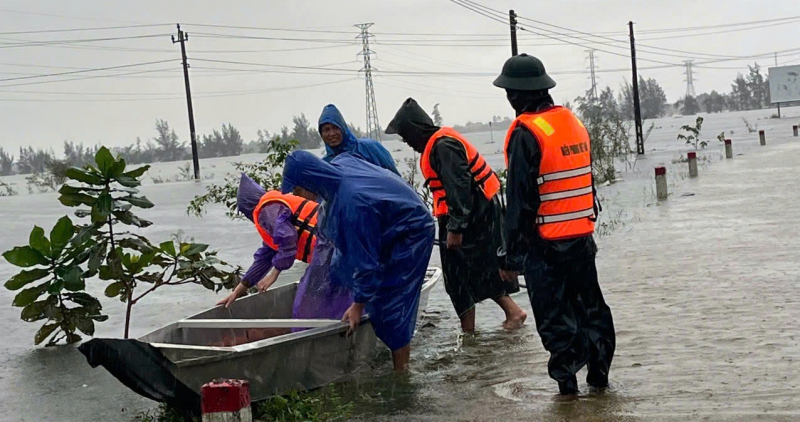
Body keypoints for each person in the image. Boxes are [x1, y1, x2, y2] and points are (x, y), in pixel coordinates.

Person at [493, 53, 616, 395]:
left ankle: (569, 396)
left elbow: (520, 202)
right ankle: (600, 385)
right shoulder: (571, 122)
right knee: (591, 310)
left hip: (544, 245)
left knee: (555, 319)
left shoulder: (525, 132)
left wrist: (510, 258)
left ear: (517, 94)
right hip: (581, 238)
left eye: (509, 93)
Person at [281, 150, 435, 371]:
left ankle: (402, 371)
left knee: (389, 304)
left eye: (298, 189)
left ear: (309, 180)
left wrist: (358, 304)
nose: (299, 197)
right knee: (340, 268)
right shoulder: (340, 164)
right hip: (387, 222)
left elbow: (365, 260)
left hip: (411, 233)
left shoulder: (353, 204)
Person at [385, 98, 527, 332]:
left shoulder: (443, 146)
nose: (406, 141)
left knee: (464, 275)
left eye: (406, 135)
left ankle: (498, 320)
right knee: (467, 274)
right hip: (471, 214)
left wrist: (456, 227)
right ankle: (487, 323)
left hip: (472, 217)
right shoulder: (438, 143)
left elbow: (459, 186)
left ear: (416, 129)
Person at [217, 175, 352, 328]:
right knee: (341, 294)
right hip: (338, 245)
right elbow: (265, 256)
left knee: (306, 306)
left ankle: (306, 339)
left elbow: (287, 238)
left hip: (329, 248)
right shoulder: (272, 207)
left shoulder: (266, 210)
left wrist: (274, 273)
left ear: (247, 206)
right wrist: (239, 290)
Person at [318, 104, 399, 175]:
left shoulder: (369, 148)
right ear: (321, 134)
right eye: (326, 130)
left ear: (343, 129)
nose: (332, 133)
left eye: (335, 128)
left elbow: (395, 178)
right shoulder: (326, 165)